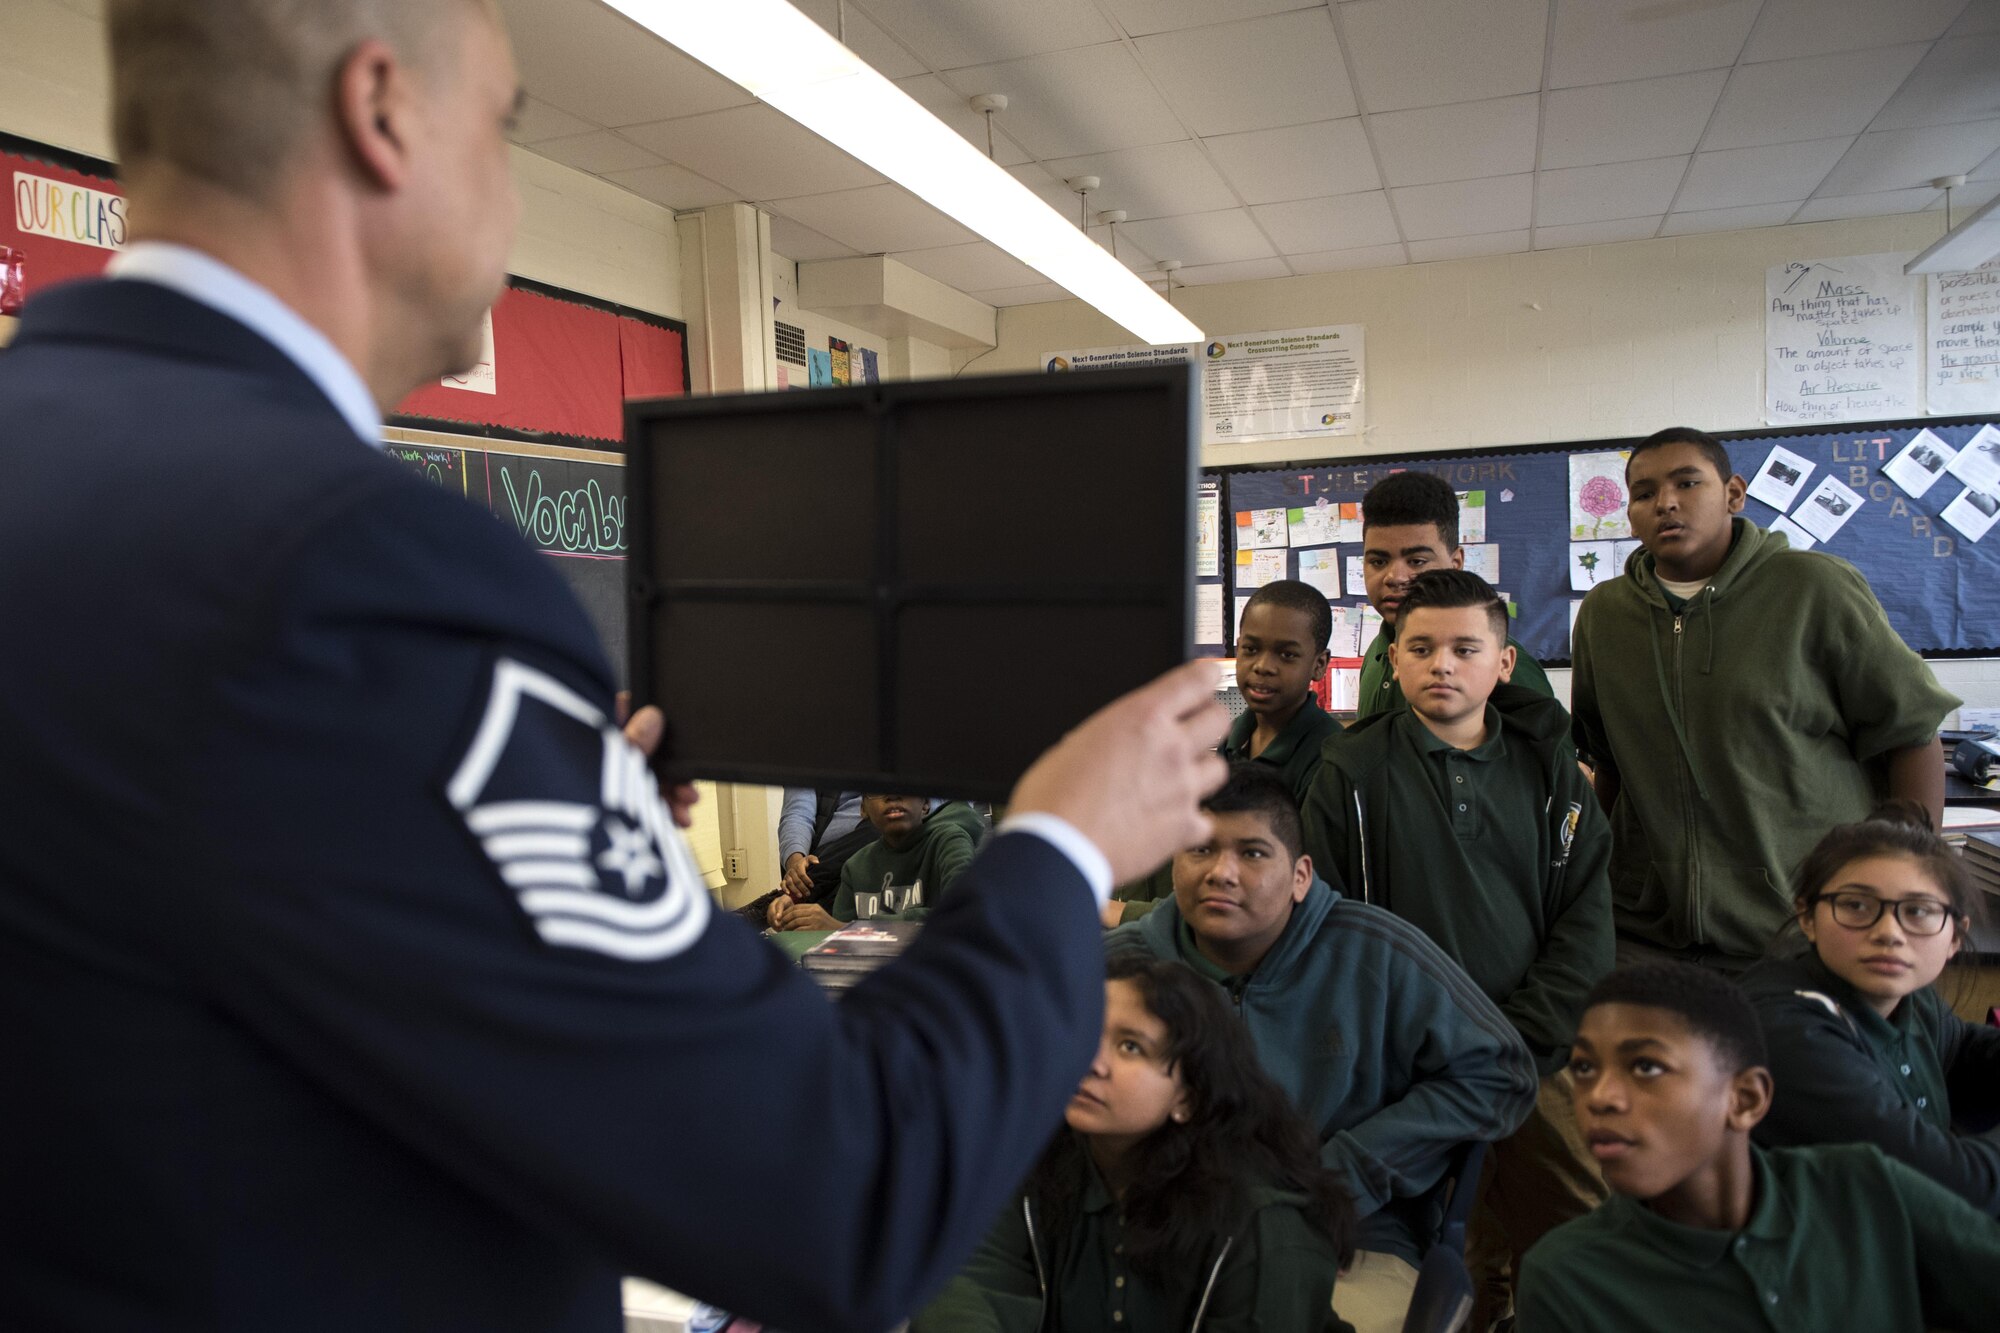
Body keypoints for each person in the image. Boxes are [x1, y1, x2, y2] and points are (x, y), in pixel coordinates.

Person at [0, 4, 1234, 1331]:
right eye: (503, 127)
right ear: (383, 111)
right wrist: (1061, 842)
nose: (514, 195)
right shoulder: (363, 567)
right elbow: (834, 1188)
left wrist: (537, 856)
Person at [1108, 763, 1536, 1333]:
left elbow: (1503, 1069)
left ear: (1301, 875)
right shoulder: (1121, 968)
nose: (1222, 873)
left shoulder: (1375, 951)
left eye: (1254, 853)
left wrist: (1347, 1175)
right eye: (1200, 851)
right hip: (1156, 1237)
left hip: (1353, 1239)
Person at [1301, 568, 1612, 1329]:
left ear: (1503, 663)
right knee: (1449, 1260)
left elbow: (1585, 921)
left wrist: (1523, 1038)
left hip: (1539, 1057)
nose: (1443, 663)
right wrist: (1418, 1044)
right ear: (1393, 658)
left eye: (1466, 648)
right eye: (1423, 647)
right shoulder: (1349, 772)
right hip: (1411, 1072)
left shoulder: (1553, 775)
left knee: (1571, 1234)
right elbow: (1324, 924)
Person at [1570, 426, 1959, 971]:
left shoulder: (1813, 588)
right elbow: (1607, 765)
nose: (1667, 503)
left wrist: (1912, 881)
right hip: (1646, 934)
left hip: (1799, 928)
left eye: (1687, 483)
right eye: (1644, 493)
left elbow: (1913, 735)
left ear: (1733, 493)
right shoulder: (1604, 616)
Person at [1518, 963, 2000, 1332]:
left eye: (1645, 1067)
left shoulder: (1862, 1186)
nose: (1600, 1097)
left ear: (1745, 1099)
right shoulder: (1568, 1278)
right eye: (1583, 1069)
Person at [911, 954, 1356, 1332]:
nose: (1093, 1062)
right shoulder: (1029, 1158)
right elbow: (964, 1289)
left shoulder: (1263, 1227)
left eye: (1130, 1047)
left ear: (1189, 1095)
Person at [1741, 803, 2000, 1215]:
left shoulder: (1905, 995)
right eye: (1857, 906)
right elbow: (1959, 1188)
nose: (1888, 934)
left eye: (1917, 911)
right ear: (1807, 916)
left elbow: (1961, 1053)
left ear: (1955, 936)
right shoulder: (1789, 1033)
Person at [1106, 579, 1339, 926]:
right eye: (1250, 649)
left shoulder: (1329, 760)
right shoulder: (1233, 742)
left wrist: (1124, 913)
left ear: (1319, 665)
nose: (1263, 666)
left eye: (1286, 654)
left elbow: (1288, 895)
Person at [1353, 471, 1550, 719]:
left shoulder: (1500, 666)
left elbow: (1547, 756)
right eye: (1378, 561)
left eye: (1416, 561)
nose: (1395, 577)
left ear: (1456, 563)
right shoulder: (1379, 650)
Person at [770, 795, 984, 930]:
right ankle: (793, 899)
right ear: (862, 810)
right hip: (827, 855)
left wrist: (848, 929)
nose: (893, 796)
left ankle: (792, 896)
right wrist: (798, 920)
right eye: (878, 790)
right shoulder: (855, 867)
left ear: (927, 804)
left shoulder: (949, 842)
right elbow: (839, 946)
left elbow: (965, 913)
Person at [733, 788, 876, 925]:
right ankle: (795, 899)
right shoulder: (807, 764)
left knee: (876, 829)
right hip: (822, 857)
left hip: (876, 841)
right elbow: (798, 812)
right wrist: (797, 866)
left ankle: (778, 904)